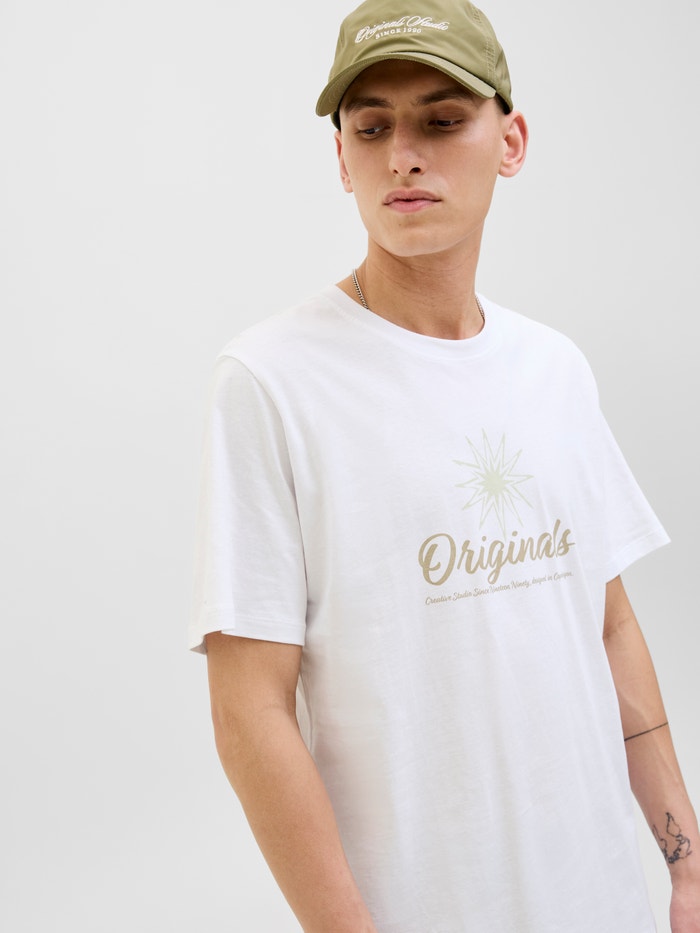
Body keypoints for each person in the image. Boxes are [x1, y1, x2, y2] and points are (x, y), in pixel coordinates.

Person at [190, 1, 700, 929]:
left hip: (605, 900)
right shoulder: (271, 381)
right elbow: (248, 710)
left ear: (510, 141)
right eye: (371, 127)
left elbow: (610, 623)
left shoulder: (553, 369)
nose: (403, 156)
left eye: (441, 119)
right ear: (340, 158)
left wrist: (687, 866)